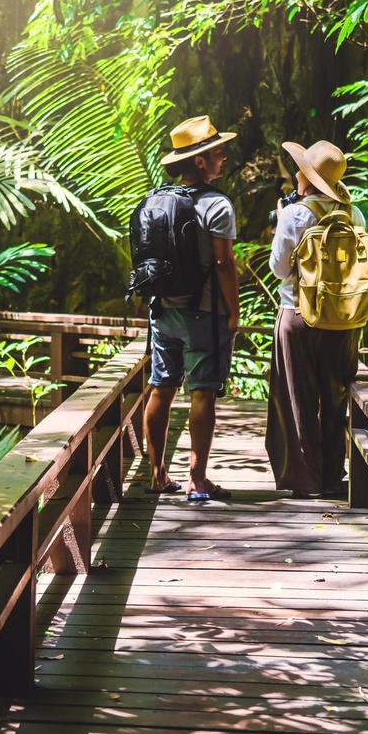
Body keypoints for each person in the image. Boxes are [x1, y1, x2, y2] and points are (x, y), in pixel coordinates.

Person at [141, 116, 241, 502]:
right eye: (217, 152)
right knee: (202, 392)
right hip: (204, 312)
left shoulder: (156, 200)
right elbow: (223, 264)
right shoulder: (217, 205)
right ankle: (197, 480)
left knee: (161, 388)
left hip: (163, 310)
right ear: (200, 161)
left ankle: (156, 475)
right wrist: (233, 312)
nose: (223, 157)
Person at [266, 140, 365, 498]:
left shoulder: (296, 214)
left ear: (307, 179)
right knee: (335, 398)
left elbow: (278, 269)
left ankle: (303, 478)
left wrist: (281, 222)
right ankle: (332, 476)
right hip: (343, 321)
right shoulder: (354, 214)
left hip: (298, 316)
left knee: (297, 399)